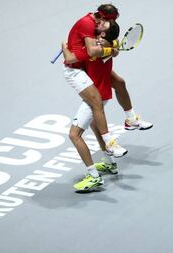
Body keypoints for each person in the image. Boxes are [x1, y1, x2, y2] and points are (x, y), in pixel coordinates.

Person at [63, 4, 128, 159]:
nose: (111, 23)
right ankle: (110, 153)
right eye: (109, 21)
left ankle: (108, 155)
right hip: (81, 73)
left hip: (93, 83)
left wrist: (64, 46)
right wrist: (111, 49)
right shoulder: (95, 36)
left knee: (81, 128)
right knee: (87, 125)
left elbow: (75, 56)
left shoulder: (96, 44)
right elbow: (86, 53)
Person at [62, 20, 120, 191]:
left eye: (103, 26)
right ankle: (110, 163)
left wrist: (64, 46)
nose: (98, 24)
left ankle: (93, 176)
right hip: (102, 93)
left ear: (102, 36)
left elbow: (70, 58)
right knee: (95, 125)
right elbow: (113, 47)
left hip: (95, 97)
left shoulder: (92, 51)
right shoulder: (109, 46)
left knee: (74, 135)